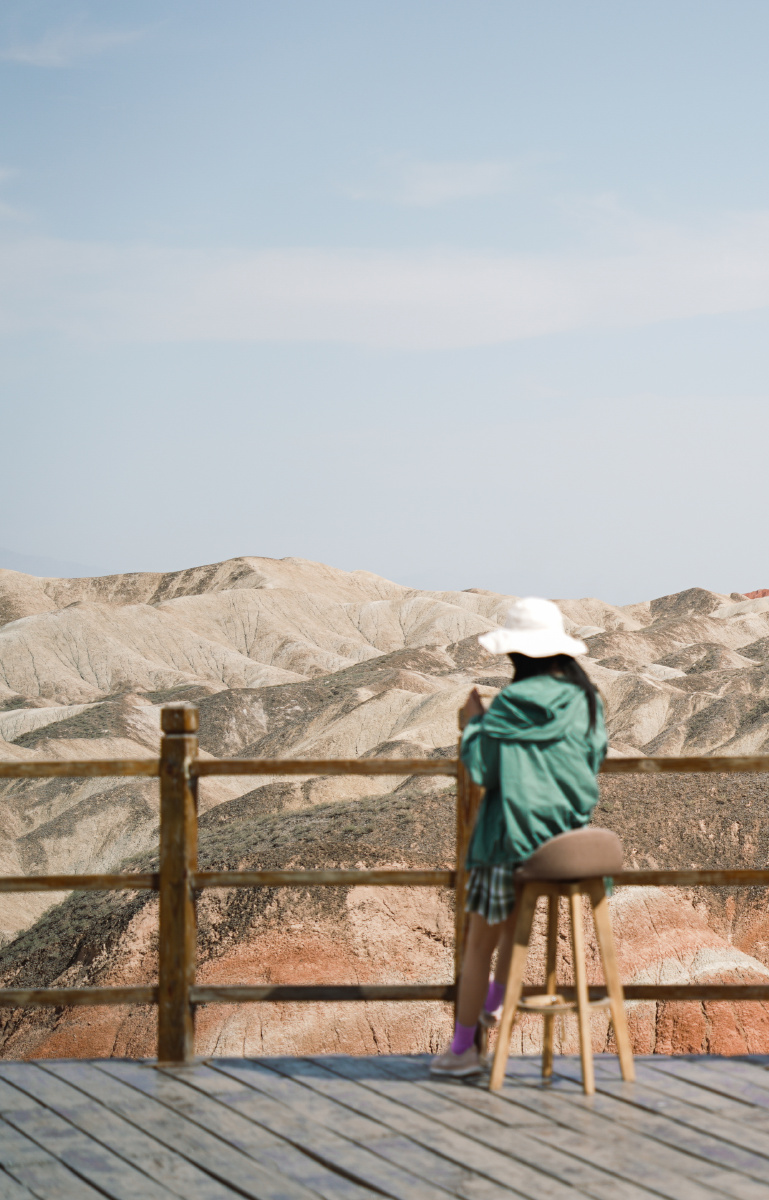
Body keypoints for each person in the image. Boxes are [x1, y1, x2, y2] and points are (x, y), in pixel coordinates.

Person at [431, 596, 607, 1076]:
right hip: (569, 846)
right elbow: (593, 760)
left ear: (516, 655)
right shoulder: (587, 701)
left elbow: (484, 770)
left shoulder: (511, 703)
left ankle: (463, 1050)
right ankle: (493, 1003)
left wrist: (473, 727)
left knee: (479, 944)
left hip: (511, 845)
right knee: (514, 929)